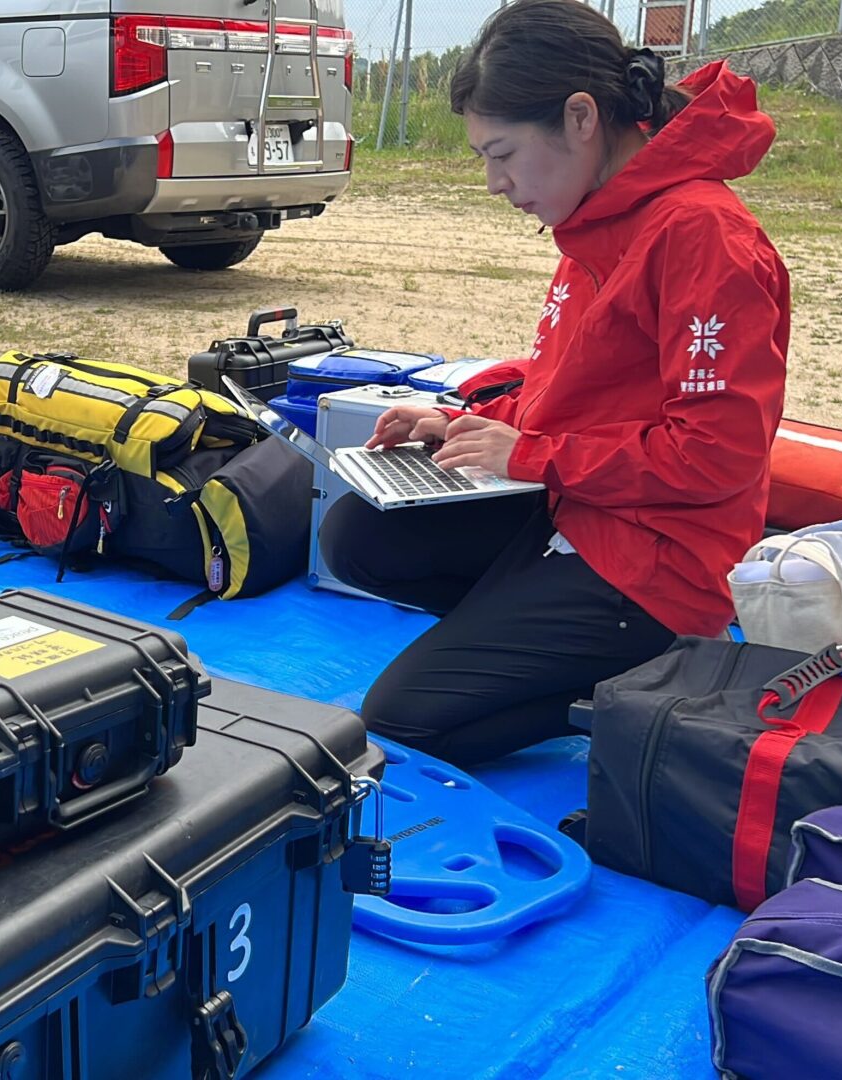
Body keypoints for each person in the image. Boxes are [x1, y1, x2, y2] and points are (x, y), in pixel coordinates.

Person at [320, 0, 790, 766]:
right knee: (359, 535)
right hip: (579, 507)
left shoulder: (704, 237)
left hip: (659, 557)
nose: (494, 183)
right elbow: (577, 383)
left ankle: (635, 678)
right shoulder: (597, 215)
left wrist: (528, 456)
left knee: (401, 720)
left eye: (502, 153)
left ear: (580, 118)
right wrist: (465, 420)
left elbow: (717, 456)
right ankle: (525, 633)